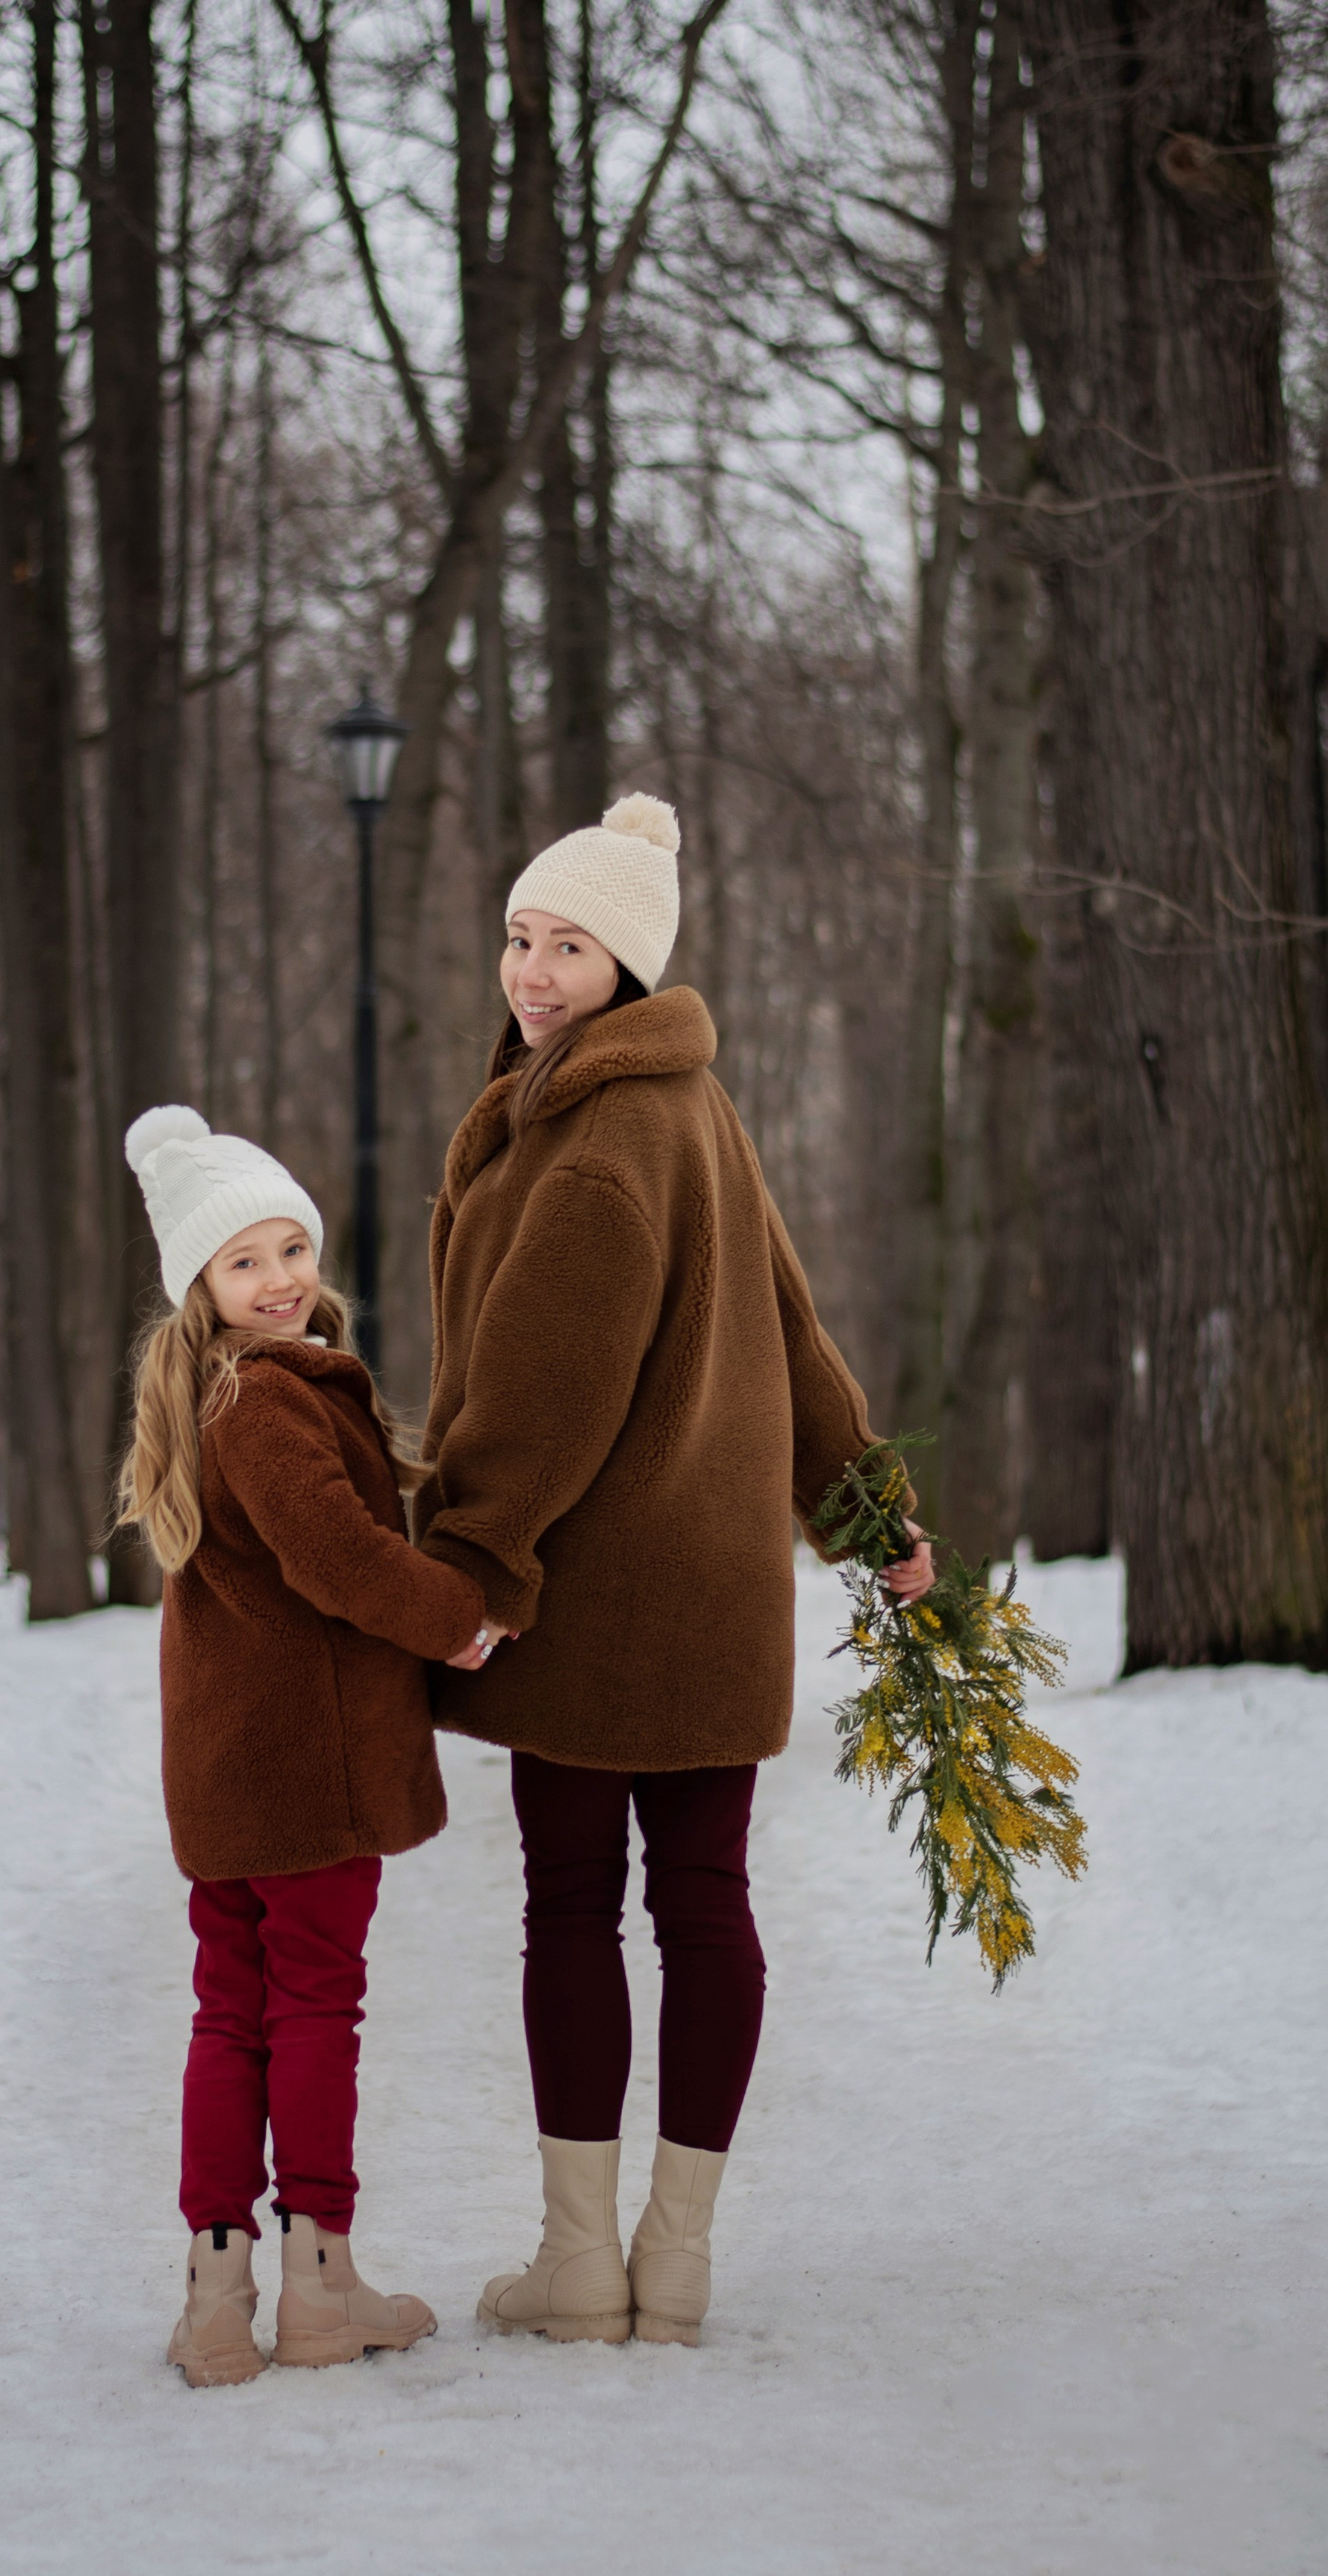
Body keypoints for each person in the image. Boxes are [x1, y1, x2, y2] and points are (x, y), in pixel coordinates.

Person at [413, 794, 933, 2348]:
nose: (530, 969)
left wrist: (477, 1566)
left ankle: (582, 2266)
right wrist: (866, 1508)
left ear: (626, 965)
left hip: (587, 1597)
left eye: (566, 945)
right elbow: (792, 1318)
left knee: (574, 1907)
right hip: (712, 1598)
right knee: (703, 1903)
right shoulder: (688, 1105)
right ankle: (672, 2262)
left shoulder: (595, 1136)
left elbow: (542, 1386)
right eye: (517, 936)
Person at [119, 1105, 488, 2388]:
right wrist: (455, 1621)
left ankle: (218, 2300)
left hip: (225, 1773)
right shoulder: (264, 1403)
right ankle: (320, 2289)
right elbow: (337, 1559)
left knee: (231, 2015)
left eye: (291, 1249)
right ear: (201, 1289)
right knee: (314, 2004)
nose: (279, 1281)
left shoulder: (209, 1400)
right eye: (244, 1263)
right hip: (308, 1772)